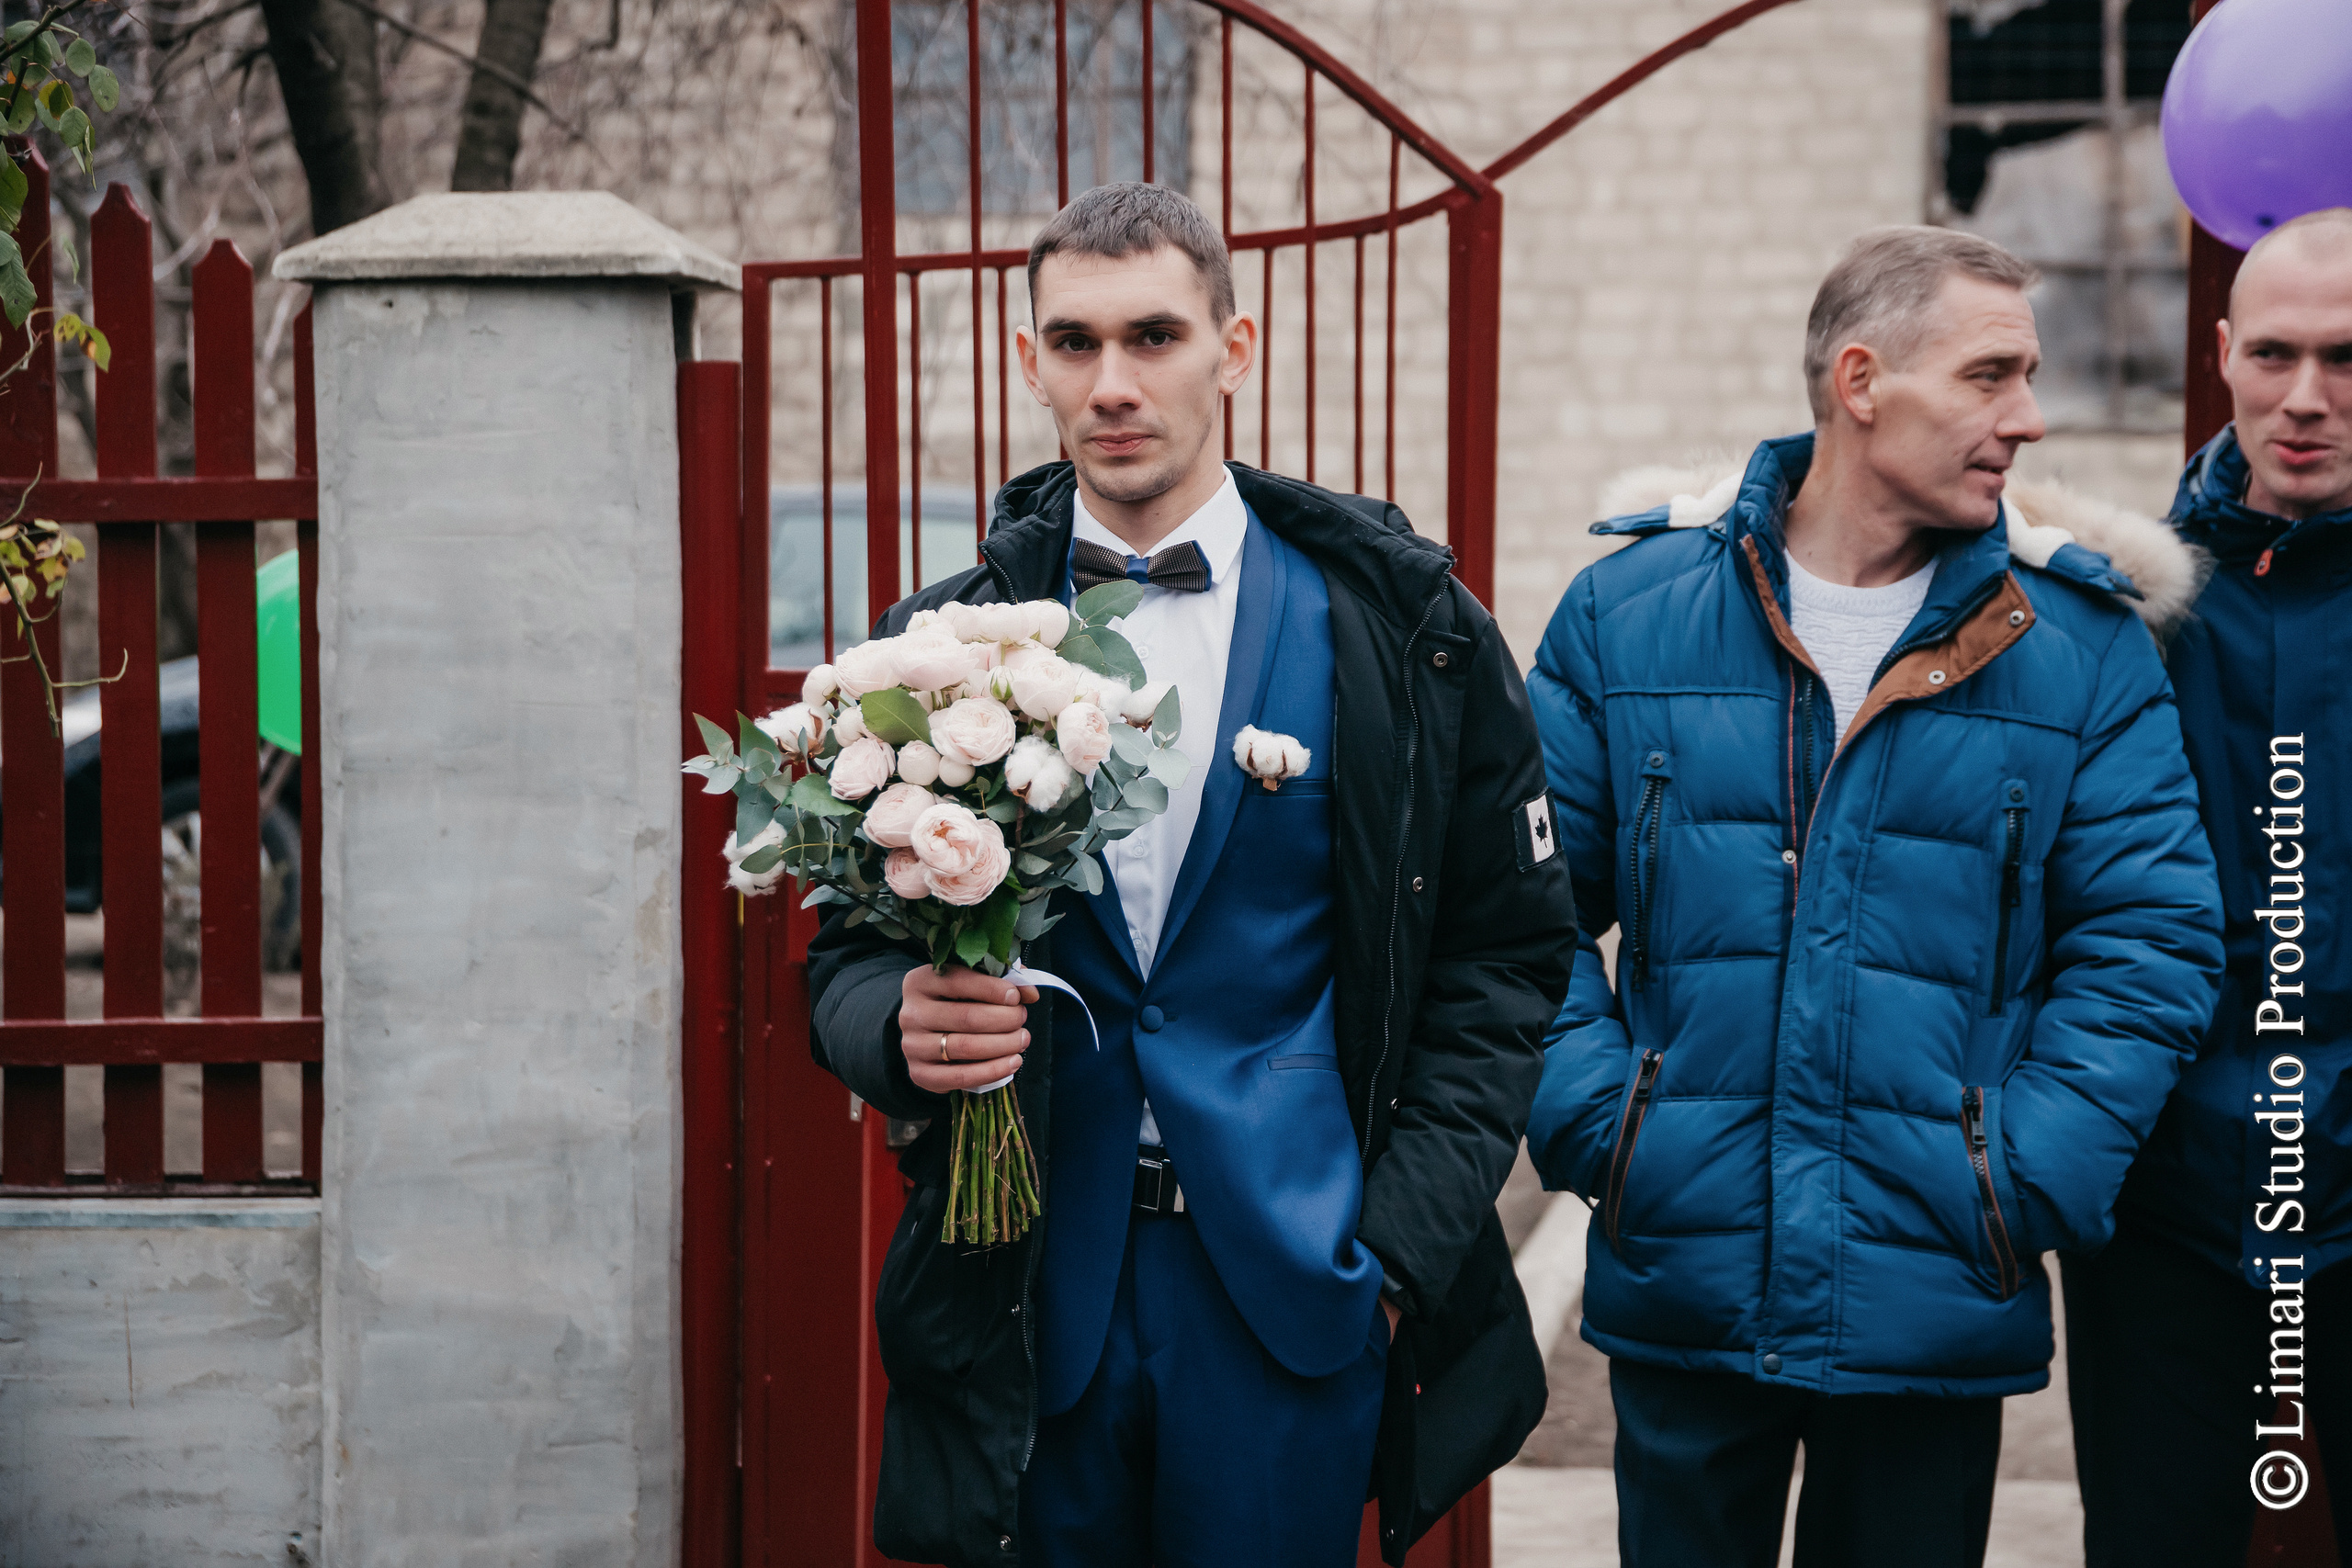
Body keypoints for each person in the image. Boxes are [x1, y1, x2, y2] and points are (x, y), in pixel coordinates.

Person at [804, 182, 1576, 1568]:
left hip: (1294, 1284)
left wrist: (1393, 1249)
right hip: (1033, 1288)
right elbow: (841, 960)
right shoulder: (932, 653)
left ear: (1236, 346)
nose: (1114, 383)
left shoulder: (1403, 633)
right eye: (1076, 342)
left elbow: (1505, 958)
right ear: (1027, 359)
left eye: (1155, 336)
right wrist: (893, 1027)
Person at [1522, 225, 2224, 1568]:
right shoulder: (1629, 617)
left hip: (1935, 1292)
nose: (2027, 418)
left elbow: (2154, 942)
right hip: (1689, 1271)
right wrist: (1612, 1130)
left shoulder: (2078, 648)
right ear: (1861, 381)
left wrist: (2013, 1179)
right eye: (1990, 375)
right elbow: (1520, 919)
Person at [2063, 207, 2352, 1566]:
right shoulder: (2117, 604)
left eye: (2349, 360)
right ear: (2224, 353)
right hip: (2162, 1191)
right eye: (2278, 354)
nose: (2306, 399)